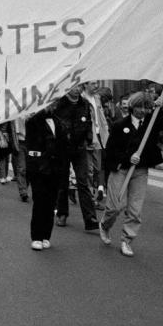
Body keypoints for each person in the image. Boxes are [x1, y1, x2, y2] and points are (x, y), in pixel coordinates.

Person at [100, 91, 163, 257]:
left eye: (147, 107)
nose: (143, 110)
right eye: (139, 107)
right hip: (121, 169)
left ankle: (127, 240)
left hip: (140, 170)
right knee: (115, 207)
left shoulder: (152, 123)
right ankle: (105, 224)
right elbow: (110, 153)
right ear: (132, 106)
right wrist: (127, 158)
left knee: (135, 209)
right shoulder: (119, 125)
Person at [53, 85, 99, 231]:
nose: (76, 89)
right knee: (62, 182)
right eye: (73, 86)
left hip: (79, 148)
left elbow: (89, 122)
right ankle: (62, 213)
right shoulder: (59, 103)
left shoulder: (84, 103)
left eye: (79, 86)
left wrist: (89, 138)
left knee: (83, 182)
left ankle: (90, 218)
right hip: (62, 147)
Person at [25, 102, 68, 251]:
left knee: (51, 202)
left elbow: (64, 147)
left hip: (55, 169)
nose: (53, 106)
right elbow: (30, 147)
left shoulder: (59, 121)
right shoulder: (33, 121)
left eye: (55, 103)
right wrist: (35, 166)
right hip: (38, 168)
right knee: (39, 201)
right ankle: (36, 236)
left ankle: (46, 236)